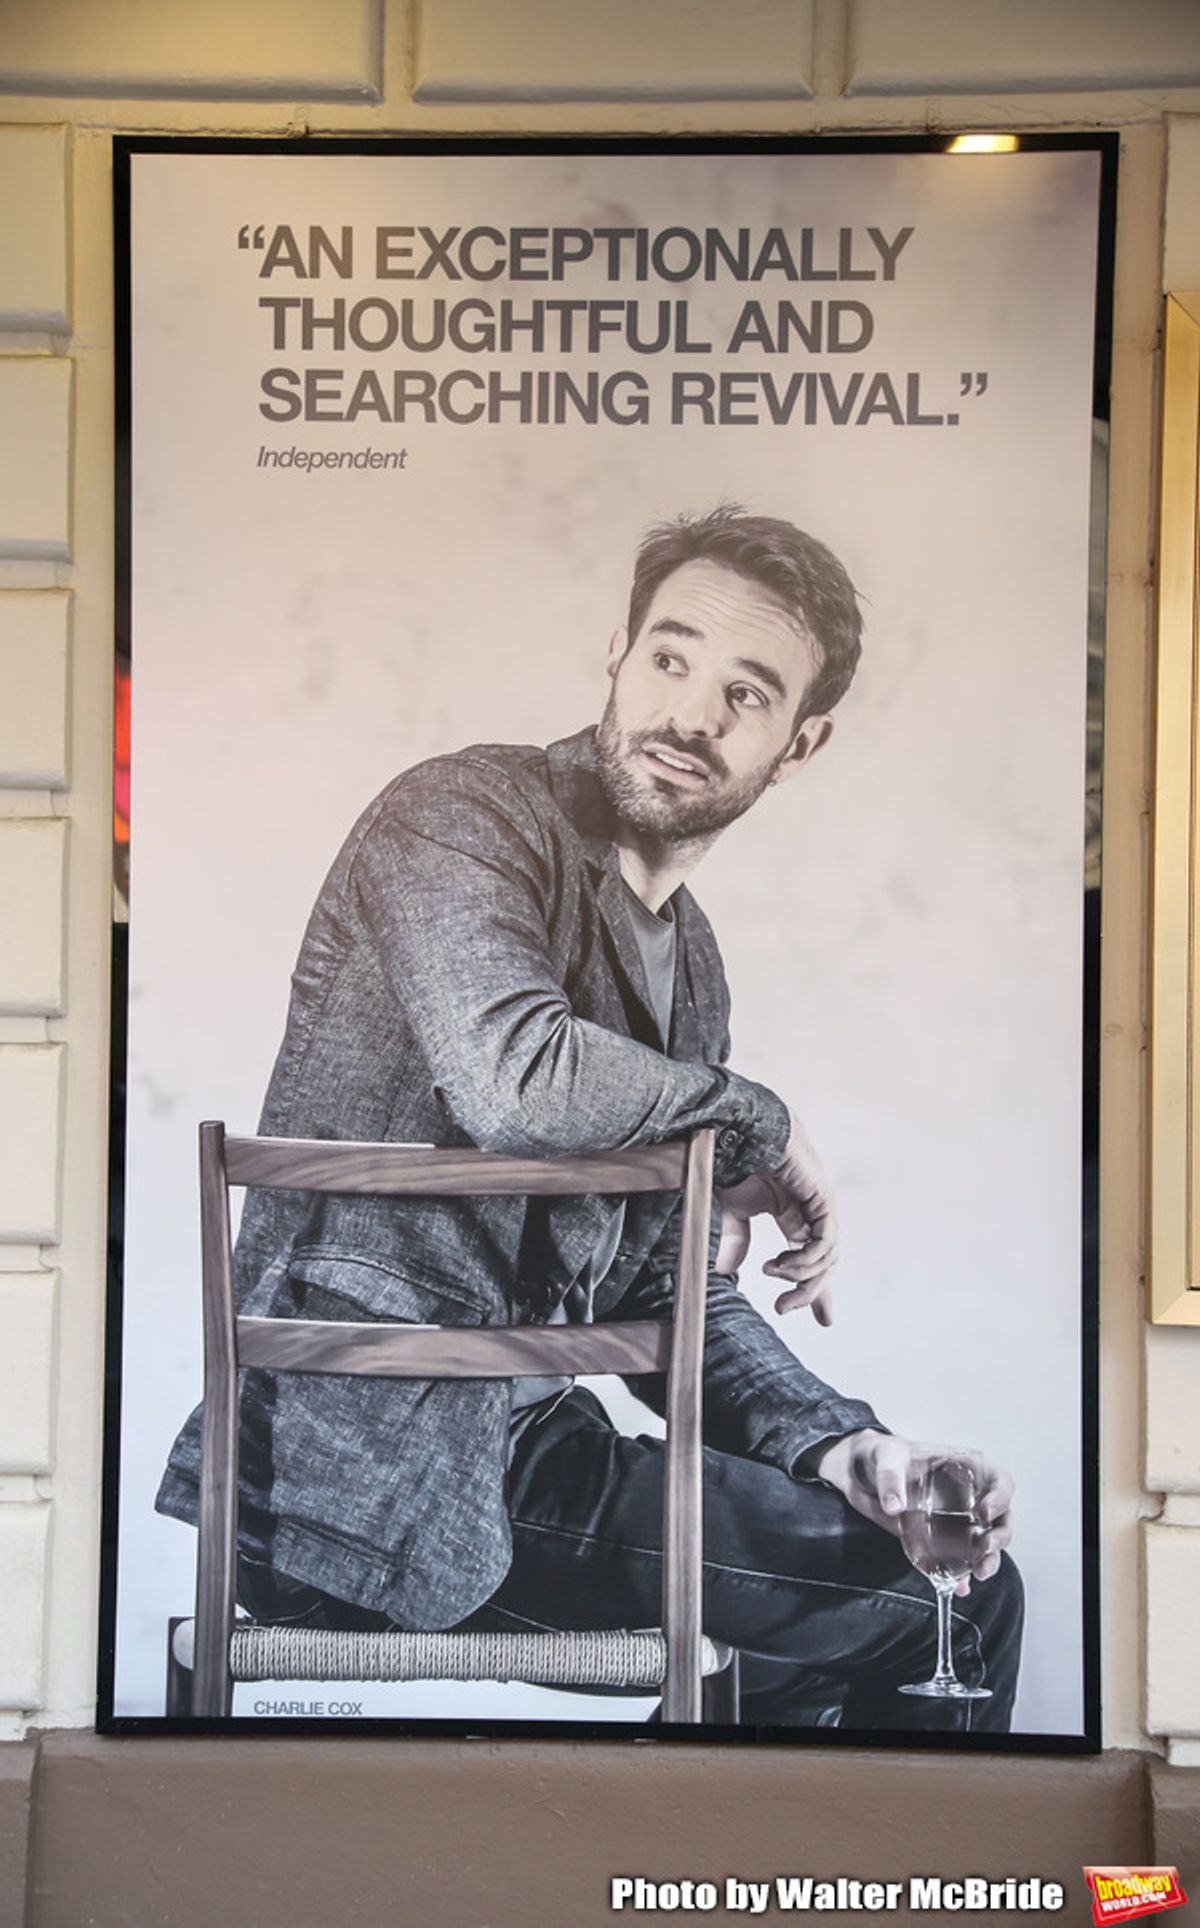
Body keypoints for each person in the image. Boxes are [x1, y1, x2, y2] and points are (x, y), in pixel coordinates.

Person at [158, 506, 1022, 1730]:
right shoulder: (457, 819)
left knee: (906, 1599)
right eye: (669, 659)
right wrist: (761, 1124)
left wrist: (843, 1448)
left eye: (746, 692)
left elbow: (657, 1283)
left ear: (801, 740)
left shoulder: (694, 967)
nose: (690, 714)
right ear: (613, 656)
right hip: (361, 1482)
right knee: (954, 1617)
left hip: (528, 1453)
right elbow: (519, 1075)